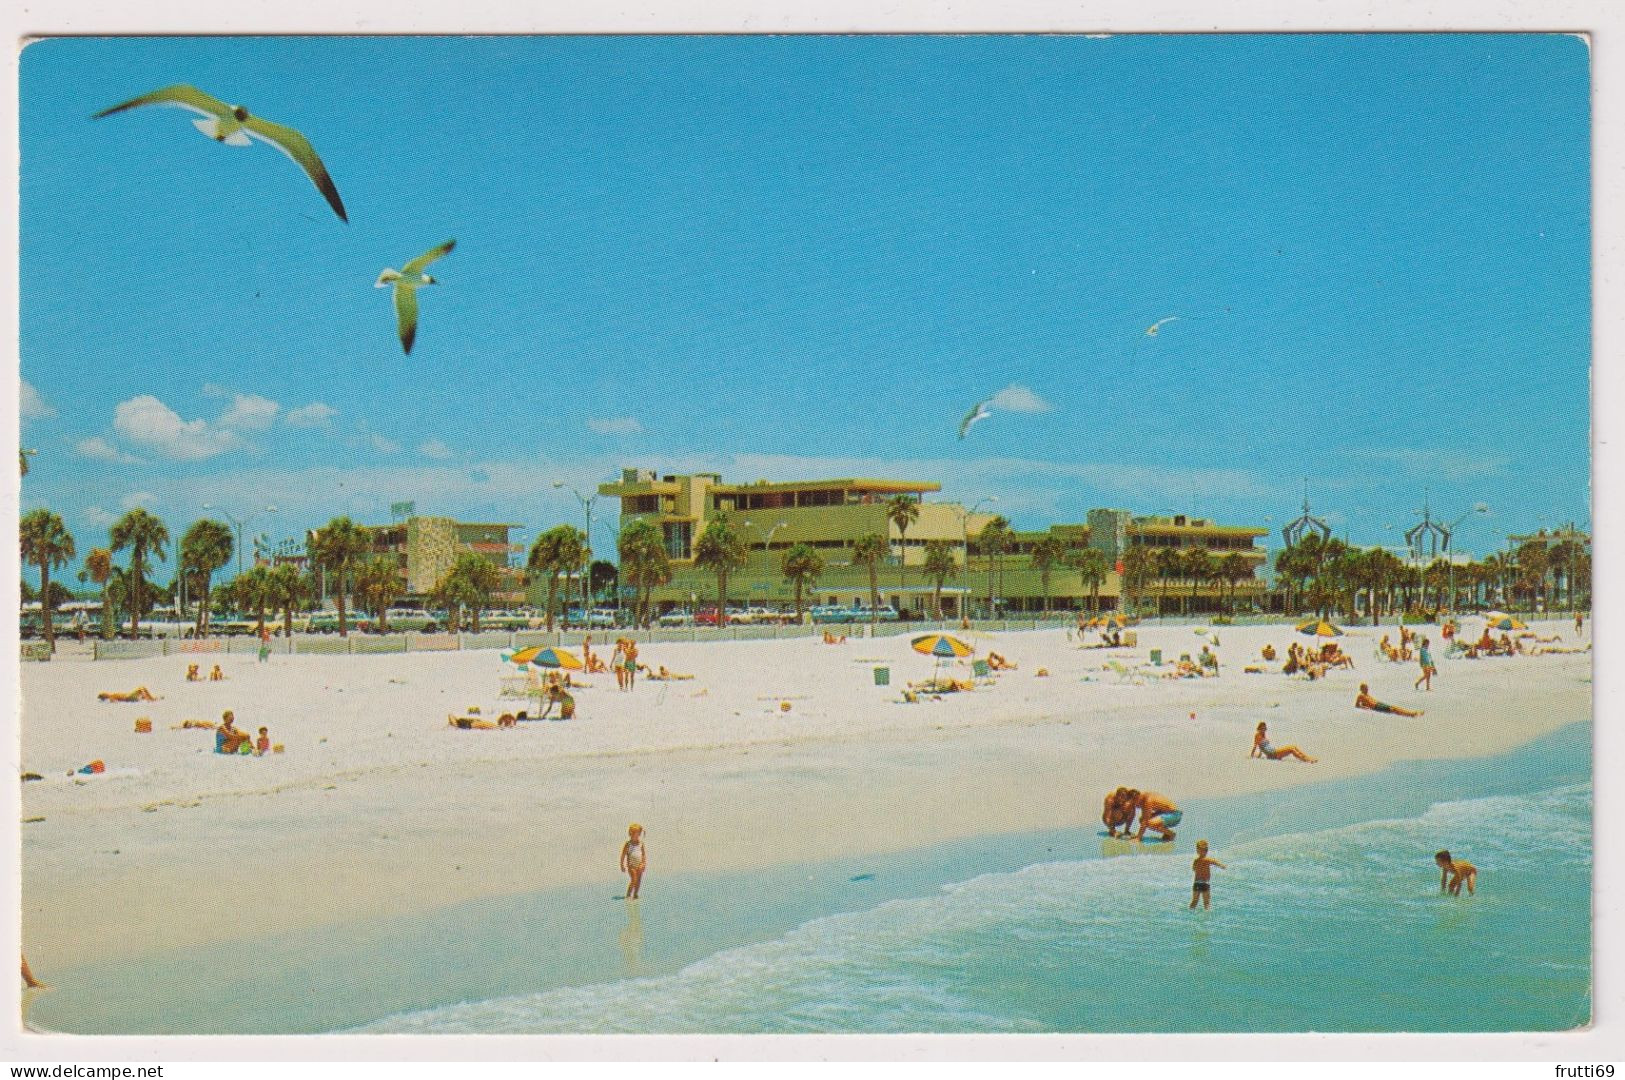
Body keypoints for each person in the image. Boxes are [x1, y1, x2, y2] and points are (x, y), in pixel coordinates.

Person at [1251, 721, 1317, 763]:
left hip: (1274, 752)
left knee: (1293, 746)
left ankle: (1307, 758)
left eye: (1265, 728)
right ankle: (1306, 760)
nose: (1264, 730)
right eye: (1263, 728)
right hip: (1272, 754)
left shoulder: (1263, 734)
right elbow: (1255, 746)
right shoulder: (1257, 735)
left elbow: (1262, 748)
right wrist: (1252, 755)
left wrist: (1260, 754)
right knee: (1291, 750)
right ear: (1259, 728)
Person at [1190, 841, 1226, 910]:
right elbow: (1216, 863)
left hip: (1197, 883)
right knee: (1206, 903)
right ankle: (1207, 915)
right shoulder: (1207, 859)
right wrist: (1222, 866)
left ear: (1197, 851)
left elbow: (1193, 869)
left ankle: (1190, 911)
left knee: (1194, 901)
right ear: (1206, 851)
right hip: (1205, 883)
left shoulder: (1196, 860)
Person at [1354, 683, 1423, 717]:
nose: (1367, 689)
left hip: (1379, 704)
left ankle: (1412, 713)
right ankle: (1411, 714)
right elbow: (1356, 705)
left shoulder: (1366, 694)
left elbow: (1366, 702)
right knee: (1393, 709)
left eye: (1367, 688)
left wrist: (1365, 705)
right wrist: (1365, 707)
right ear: (1362, 689)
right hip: (1376, 707)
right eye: (1365, 688)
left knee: (1394, 707)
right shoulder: (1361, 695)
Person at [620, 823, 647, 899]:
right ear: (630, 834)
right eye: (634, 834)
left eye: (638, 834)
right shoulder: (628, 844)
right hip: (631, 865)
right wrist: (622, 865)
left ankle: (635, 894)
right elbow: (623, 855)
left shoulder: (641, 844)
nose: (636, 836)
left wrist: (643, 864)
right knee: (634, 879)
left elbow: (644, 855)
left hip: (639, 865)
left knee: (638, 880)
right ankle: (628, 894)